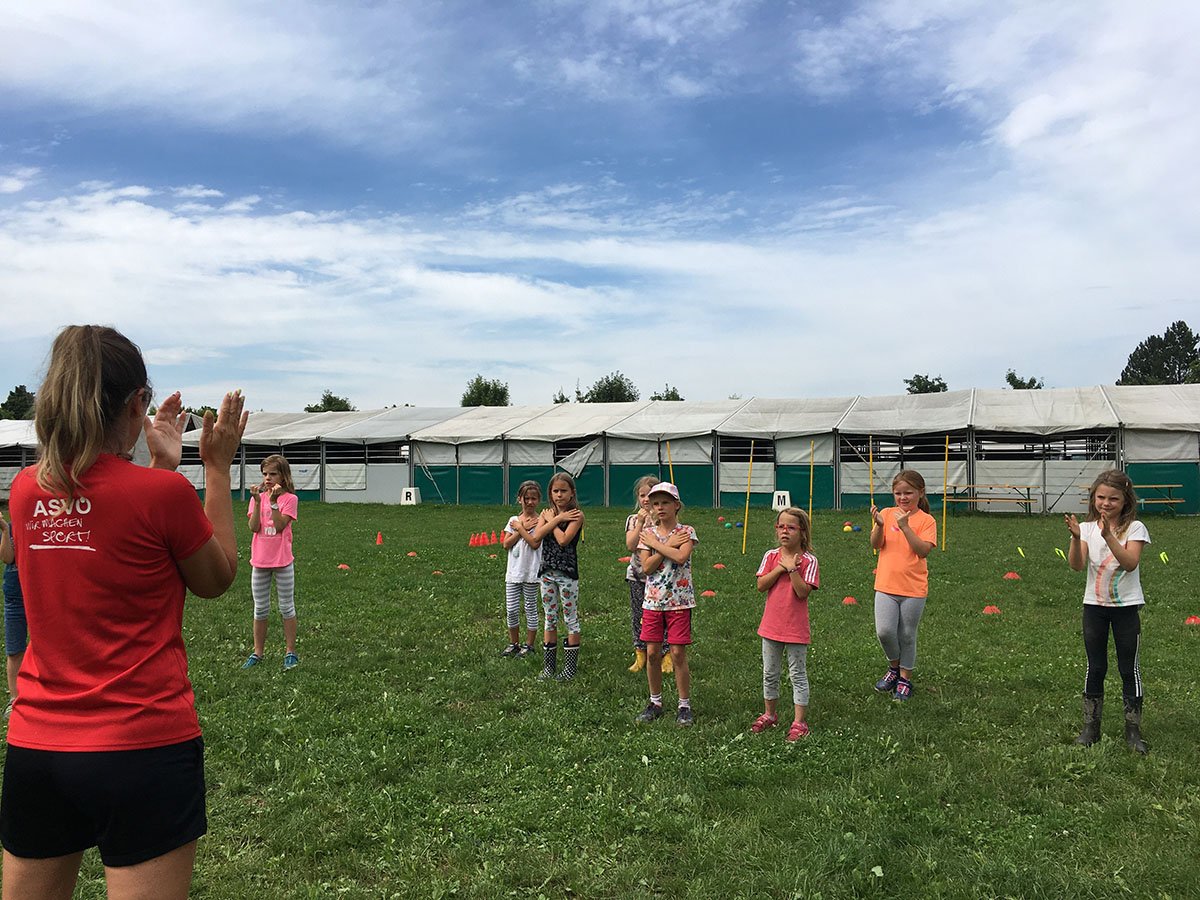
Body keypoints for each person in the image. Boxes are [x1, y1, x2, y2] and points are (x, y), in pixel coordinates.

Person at [0, 324, 246, 899]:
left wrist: (160, 467)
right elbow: (215, 578)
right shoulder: (162, 496)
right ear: (138, 403)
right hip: (144, 744)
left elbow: (116, 531)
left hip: (40, 744)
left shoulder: (28, 491)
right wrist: (214, 468)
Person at [1064, 469, 1151, 754]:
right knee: (1096, 666)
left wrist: (1109, 536)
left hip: (1126, 608)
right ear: (1093, 498)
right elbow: (1076, 565)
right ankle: (1091, 727)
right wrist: (1077, 537)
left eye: (1113, 498)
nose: (1106, 503)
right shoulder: (1087, 528)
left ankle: (1133, 730)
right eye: (1101, 497)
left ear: (1126, 501)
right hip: (1095, 607)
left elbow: (1130, 563)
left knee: (1128, 668)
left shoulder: (1135, 528)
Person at [750, 507, 820, 741]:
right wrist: (781, 567)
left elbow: (802, 592)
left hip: (795, 628)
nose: (785, 531)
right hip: (771, 626)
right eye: (781, 527)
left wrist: (792, 569)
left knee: (797, 674)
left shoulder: (809, 561)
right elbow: (761, 586)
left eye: (791, 527)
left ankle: (799, 722)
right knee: (770, 672)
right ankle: (770, 714)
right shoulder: (771, 556)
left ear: (802, 532)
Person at [634, 482, 698, 727]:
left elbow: (681, 557)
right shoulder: (647, 534)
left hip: (679, 602)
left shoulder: (686, 531)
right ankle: (655, 702)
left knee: (678, 653)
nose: (660, 507)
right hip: (652, 602)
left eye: (665, 503)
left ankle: (684, 705)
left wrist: (659, 546)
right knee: (652, 653)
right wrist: (667, 545)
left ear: (676, 505)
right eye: (656, 503)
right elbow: (646, 567)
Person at [869, 469, 937, 702]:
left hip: (913, 589)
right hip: (886, 585)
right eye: (898, 493)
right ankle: (894, 667)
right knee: (885, 631)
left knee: (907, 634)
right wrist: (879, 525)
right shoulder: (886, 514)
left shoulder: (926, 520)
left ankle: (905, 678)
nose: (903, 497)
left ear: (920, 493)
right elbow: (876, 544)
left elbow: (923, 550)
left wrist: (906, 526)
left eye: (908, 493)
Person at [242, 454, 300, 670]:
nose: (267, 478)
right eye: (265, 474)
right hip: (260, 561)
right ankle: (258, 652)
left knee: (286, 607)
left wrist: (274, 503)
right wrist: (258, 503)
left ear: (283, 476)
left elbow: (279, 526)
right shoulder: (258, 498)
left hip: (282, 561)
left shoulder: (290, 499)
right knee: (260, 609)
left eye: (273, 474)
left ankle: (290, 651)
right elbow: (253, 527)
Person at [533, 472, 584, 681]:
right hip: (547, 572)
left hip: (567, 573)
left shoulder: (576, 516)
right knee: (549, 617)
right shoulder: (547, 513)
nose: (559, 495)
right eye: (555, 491)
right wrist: (555, 519)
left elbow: (563, 540)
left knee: (570, 617)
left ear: (572, 493)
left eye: (564, 491)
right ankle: (549, 667)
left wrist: (554, 521)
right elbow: (536, 537)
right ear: (550, 493)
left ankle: (570, 669)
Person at [623, 475, 670, 673]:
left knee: (662, 615)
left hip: (661, 578)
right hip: (637, 576)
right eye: (642, 495)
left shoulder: (665, 519)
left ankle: (666, 654)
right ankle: (640, 652)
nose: (645, 499)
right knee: (638, 615)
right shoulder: (633, 520)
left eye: (649, 495)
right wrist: (641, 523)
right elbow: (630, 545)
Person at [500, 480, 543, 659]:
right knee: (511, 609)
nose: (530, 502)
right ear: (519, 499)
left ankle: (529, 645)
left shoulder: (541, 521)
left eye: (534, 498)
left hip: (531, 572)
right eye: (526, 498)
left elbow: (535, 544)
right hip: (513, 573)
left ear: (538, 500)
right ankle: (514, 643)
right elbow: (506, 544)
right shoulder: (513, 521)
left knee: (530, 608)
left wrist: (521, 529)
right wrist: (520, 529)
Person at [0, 507, 24, 721]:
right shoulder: (11, 527)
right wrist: (5, 531)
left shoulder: (45, 528)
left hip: (40, 593)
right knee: (14, 648)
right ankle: (14, 699)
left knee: (45, 646)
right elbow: (7, 559)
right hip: (15, 596)